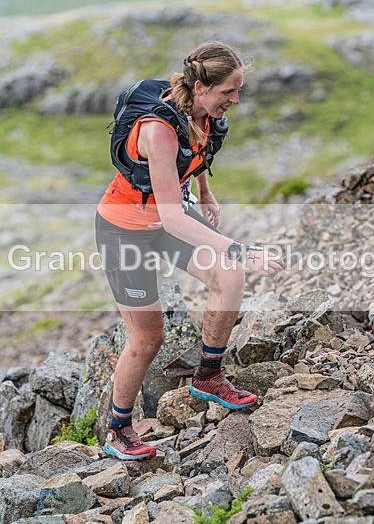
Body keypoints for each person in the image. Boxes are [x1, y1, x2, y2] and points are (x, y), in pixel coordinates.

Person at [95, 41, 284, 460]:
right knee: (148, 339)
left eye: (238, 90)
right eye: (228, 92)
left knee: (229, 276)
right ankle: (118, 430)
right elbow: (174, 219)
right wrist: (240, 248)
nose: (236, 100)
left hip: (165, 218)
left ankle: (208, 376)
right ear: (201, 87)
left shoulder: (205, 113)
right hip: (125, 230)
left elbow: (195, 154)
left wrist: (205, 191)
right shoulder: (158, 130)